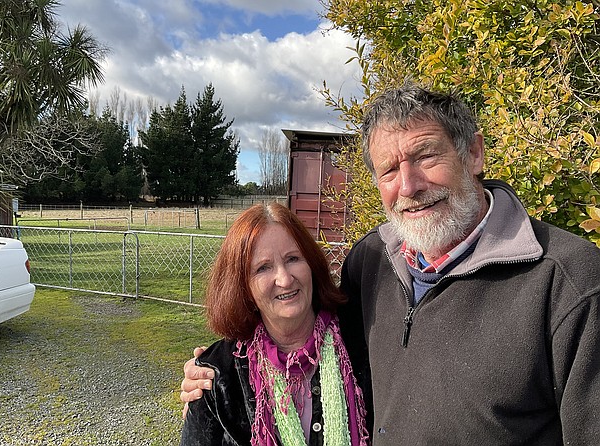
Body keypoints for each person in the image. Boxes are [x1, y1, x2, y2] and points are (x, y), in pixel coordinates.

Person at [182, 84, 600, 444]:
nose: (409, 186)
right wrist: (212, 372)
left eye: (425, 156)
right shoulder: (371, 262)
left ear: (473, 153)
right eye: (388, 170)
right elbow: (302, 329)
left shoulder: (569, 282)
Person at [180, 202, 370, 445]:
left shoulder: (361, 344)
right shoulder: (216, 375)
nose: (284, 279)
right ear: (243, 287)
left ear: (311, 264)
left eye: (293, 259)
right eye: (263, 268)